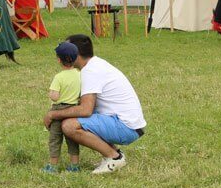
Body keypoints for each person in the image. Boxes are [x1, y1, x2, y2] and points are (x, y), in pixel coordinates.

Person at [44, 34, 146, 175]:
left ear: (76, 54)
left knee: (69, 125)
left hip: (126, 127)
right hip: (128, 124)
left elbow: (86, 110)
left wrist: (53, 114)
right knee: (72, 120)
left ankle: (114, 157)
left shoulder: (90, 71)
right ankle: (114, 153)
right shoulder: (95, 64)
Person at [42, 42, 82, 174]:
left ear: (59, 59)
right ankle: (74, 165)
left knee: (55, 139)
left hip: (59, 111)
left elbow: (55, 96)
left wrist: (51, 93)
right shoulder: (79, 74)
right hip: (74, 110)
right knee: (72, 140)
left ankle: (53, 166)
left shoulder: (58, 77)